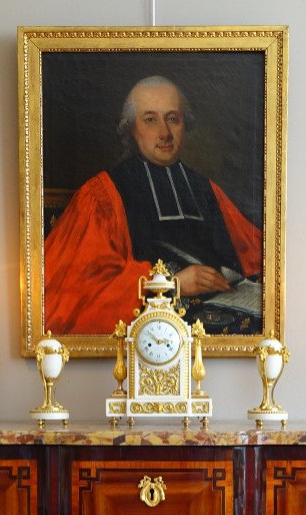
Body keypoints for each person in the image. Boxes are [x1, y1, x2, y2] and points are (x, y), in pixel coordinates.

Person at [44, 75, 263, 335]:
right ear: (131, 128)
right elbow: (77, 294)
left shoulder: (206, 189)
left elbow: (255, 255)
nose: (165, 133)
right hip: (151, 332)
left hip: (219, 325)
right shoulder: (102, 195)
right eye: (150, 120)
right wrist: (171, 284)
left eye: (173, 119)